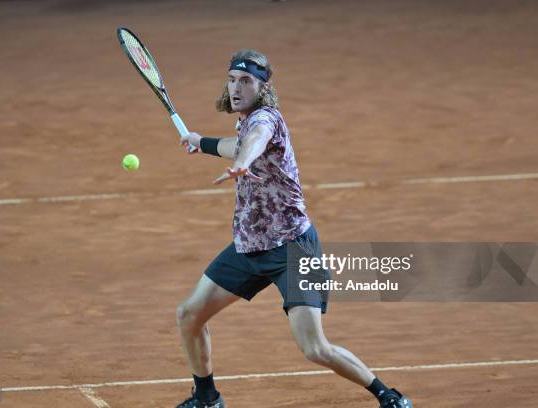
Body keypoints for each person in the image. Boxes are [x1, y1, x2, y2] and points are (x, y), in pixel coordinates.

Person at [175, 49, 412, 408]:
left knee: (315, 349)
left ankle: (388, 396)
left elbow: (252, 142)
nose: (237, 87)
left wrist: (242, 162)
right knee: (190, 314)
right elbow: (237, 143)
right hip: (249, 246)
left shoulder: (265, 119)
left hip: (293, 249)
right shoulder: (245, 120)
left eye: (247, 81)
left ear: (263, 87)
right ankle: (207, 399)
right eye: (232, 79)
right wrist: (202, 143)